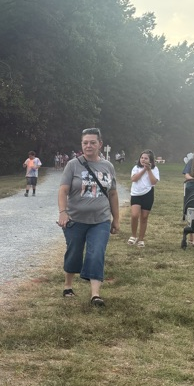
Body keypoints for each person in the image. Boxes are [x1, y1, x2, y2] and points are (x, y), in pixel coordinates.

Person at [57, 127, 120, 306]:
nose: (89, 146)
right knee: (74, 252)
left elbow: (113, 194)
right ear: (81, 145)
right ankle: (68, 285)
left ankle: (95, 294)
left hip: (100, 220)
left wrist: (116, 218)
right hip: (75, 220)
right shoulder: (73, 165)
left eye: (93, 142)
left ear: (100, 144)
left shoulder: (108, 166)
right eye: (85, 143)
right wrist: (63, 213)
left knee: (96, 253)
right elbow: (63, 191)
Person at [128, 150, 159, 248]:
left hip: (148, 194)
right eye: (142, 158)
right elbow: (133, 179)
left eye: (146, 158)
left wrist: (149, 170)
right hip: (136, 194)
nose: (143, 160)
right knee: (134, 215)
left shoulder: (154, 169)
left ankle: (141, 239)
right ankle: (133, 236)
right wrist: (144, 170)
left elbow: (154, 182)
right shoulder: (136, 168)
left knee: (144, 217)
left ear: (150, 160)